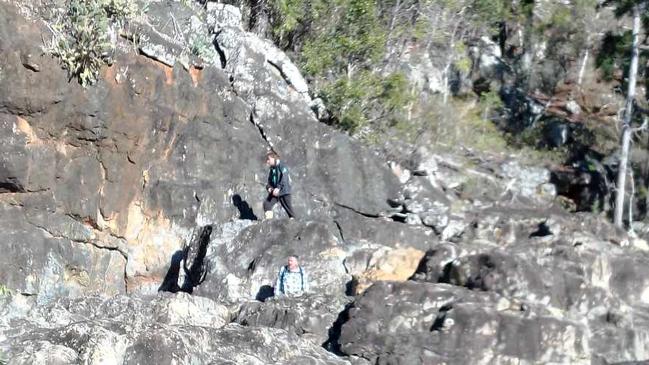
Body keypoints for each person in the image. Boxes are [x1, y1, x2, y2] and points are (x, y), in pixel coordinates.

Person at [263, 151, 296, 219]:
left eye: (268, 159)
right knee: (267, 204)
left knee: (288, 208)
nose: (267, 162)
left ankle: (295, 223)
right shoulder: (272, 169)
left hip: (284, 191)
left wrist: (278, 188)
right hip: (275, 192)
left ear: (273, 158)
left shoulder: (282, 166)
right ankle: (268, 222)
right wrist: (269, 188)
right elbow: (269, 181)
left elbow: (284, 178)